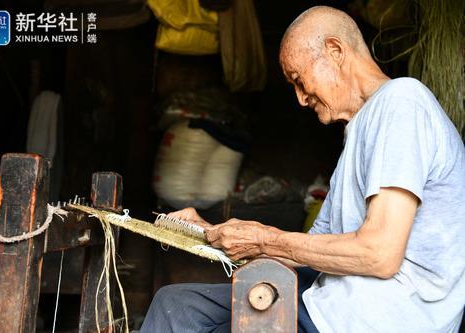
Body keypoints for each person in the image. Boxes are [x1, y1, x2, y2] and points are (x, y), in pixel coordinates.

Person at [140, 6, 465, 333]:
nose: (299, 98)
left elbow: (380, 253)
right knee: (176, 305)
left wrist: (265, 239)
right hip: (334, 301)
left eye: (299, 80)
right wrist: (210, 234)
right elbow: (310, 251)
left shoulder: (402, 102)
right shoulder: (361, 131)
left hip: (380, 316)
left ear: (335, 51)